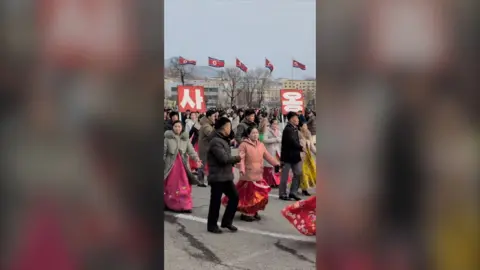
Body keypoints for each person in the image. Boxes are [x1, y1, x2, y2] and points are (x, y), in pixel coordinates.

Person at [224, 126, 280, 222]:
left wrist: (276, 163)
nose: (255, 135)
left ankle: (254, 211)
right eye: (253, 133)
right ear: (248, 135)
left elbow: (268, 156)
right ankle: (246, 213)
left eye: (257, 133)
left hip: (258, 173)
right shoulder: (244, 145)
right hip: (248, 173)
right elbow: (241, 158)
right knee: (249, 196)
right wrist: (241, 169)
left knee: (259, 195)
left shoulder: (261, 145)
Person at [206, 117, 244, 234]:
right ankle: (212, 225)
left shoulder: (223, 139)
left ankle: (227, 222)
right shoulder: (216, 141)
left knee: (234, 197)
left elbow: (226, 159)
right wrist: (238, 158)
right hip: (217, 176)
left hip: (226, 176)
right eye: (229, 126)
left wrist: (234, 162)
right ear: (224, 128)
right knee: (215, 201)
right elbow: (223, 159)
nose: (230, 129)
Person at [163, 121, 202, 213]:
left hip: (183, 166)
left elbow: (191, 151)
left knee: (184, 185)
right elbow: (163, 152)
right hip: (171, 166)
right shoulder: (167, 139)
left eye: (179, 126)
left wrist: (197, 159)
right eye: (175, 126)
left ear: (182, 128)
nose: (177, 128)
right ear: (172, 127)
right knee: (170, 186)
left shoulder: (185, 139)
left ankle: (185, 206)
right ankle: (169, 204)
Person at [279, 111, 303, 201]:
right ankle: (282, 193)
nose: (297, 120)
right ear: (290, 119)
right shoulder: (288, 129)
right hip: (287, 156)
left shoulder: (295, 128)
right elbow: (292, 142)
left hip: (295, 156)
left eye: (297, 118)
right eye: (295, 118)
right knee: (285, 175)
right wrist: (301, 147)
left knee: (298, 173)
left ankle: (293, 192)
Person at [197, 110, 216, 187]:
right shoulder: (206, 126)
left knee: (207, 164)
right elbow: (212, 135)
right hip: (205, 148)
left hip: (206, 147)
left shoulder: (207, 124)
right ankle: (200, 181)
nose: (215, 117)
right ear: (209, 117)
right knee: (203, 164)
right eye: (214, 116)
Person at [262, 118, 282, 187]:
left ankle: (276, 182)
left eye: (276, 124)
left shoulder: (278, 131)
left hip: (277, 151)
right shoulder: (267, 131)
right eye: (274, 123)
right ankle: (270, 182)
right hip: (269, 151)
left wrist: (279, 140)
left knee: (277, 166)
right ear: (271, 124)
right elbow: (264, 140)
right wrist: (275, 139)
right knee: (269, 167)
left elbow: (281, 139)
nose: (275, 125)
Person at [298, 122, 316, 196]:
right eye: (304, 125)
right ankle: (304, 189)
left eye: (306, 125)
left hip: (308, 157)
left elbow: (312, 146)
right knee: (303, 173)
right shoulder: (298, 135)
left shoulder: (308, 134)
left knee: (309, 173)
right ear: (300, 127)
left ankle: (304, 188)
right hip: (301, 157)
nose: (306, 127)